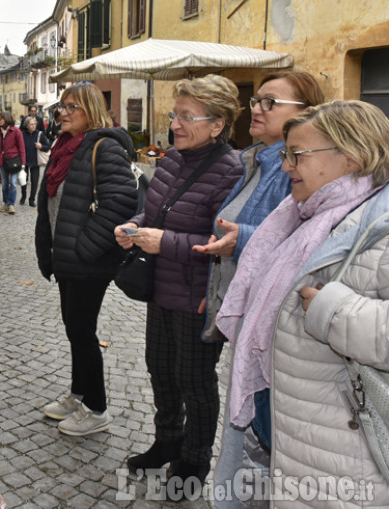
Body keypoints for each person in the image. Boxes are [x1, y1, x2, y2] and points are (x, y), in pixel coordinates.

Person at [216, 101, 389, 507]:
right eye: (285, 154)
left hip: (346, 458)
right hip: (296, 433)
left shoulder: (379, 228)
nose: (288, 165)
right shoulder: (301, 217)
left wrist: (333, 312)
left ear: (353, 156)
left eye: (298, 154)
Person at [191, 71, 324, 506]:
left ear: (304, 114)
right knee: (246, 438)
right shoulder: (258, 159)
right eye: (257, 101)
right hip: (245, 308)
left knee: (259, 435)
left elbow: (290, 245)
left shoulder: (297, 171)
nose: (258, 109)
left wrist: (240, 240)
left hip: (270, 326)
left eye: (270, 102)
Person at [116, 74, 243, 487]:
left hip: (198, 298)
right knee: (160, 371)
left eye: (188, 117)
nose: (175, 124)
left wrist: (163, 242)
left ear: (218, 124)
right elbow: (153, 213)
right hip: (162, 290)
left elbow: (222, 241)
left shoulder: (231, 171)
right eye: (175, 115)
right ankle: (167, 441)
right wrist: (134, 226)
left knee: (195, 383)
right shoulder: (171, 159)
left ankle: (193, 462)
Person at [36, 83, 138, 436]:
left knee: (83, 331)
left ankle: (96, 408)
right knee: (75, 330)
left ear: (91, 111)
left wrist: (85, 248)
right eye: (60, 107)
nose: (62, 113)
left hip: (86, 263)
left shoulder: (104, 148)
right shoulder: (65, 146)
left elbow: (121, 203)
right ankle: (78, 394)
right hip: (66, 259)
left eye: (71, 107)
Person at [0, 111, 25, 214]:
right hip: (2, 161)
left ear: (6, 119)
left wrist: (23, 163)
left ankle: (11, 204)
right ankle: (6, 203)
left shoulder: (16, 131)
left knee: (13, 183)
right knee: (5, 183)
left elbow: (22, 148)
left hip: (13, 161)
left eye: (1, 118)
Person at [20, 116, 50, 207]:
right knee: (23, 180)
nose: (33, 126)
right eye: (31, 124)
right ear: (26, 125)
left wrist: (41, 146)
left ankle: (32, 199)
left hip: (35, 161)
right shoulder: (22, 134)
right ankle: (23, 196)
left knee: (35, 181)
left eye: (34, 124)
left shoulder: (39, 134)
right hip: (24, 161)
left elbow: (47, 147)